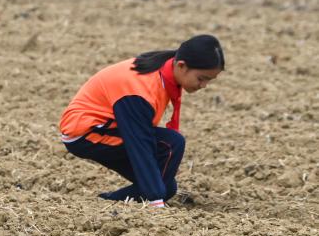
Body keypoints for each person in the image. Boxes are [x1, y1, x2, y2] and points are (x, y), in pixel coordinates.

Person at [59, 35, 225, 207]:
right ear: (181, 66)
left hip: (106, 127)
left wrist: (157, 191)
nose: (204, 85)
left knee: (167, 187)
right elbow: (139, 143)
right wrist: (155, 201)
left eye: (209, 80)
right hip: (86, 132)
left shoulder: (165, 68)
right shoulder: (139, 91)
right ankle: (148, 197)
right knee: (171, 145)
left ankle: (105, 203)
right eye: (201, 78)